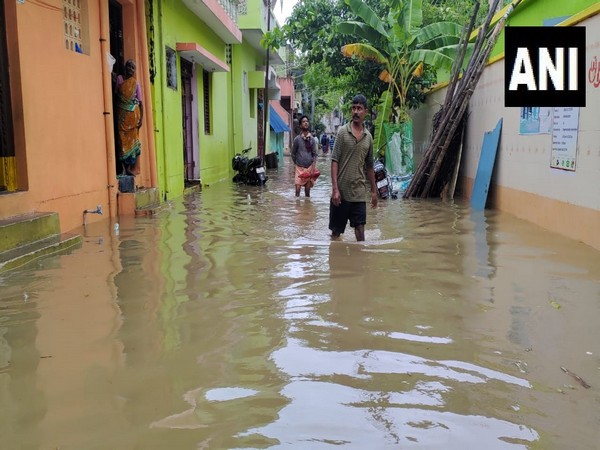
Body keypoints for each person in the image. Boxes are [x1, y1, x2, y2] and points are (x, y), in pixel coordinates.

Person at [329, 94, 378, 242]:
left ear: (365, 112)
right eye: (354, 108)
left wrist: (374, 191)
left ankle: (361, 262)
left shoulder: (368, 137)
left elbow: (369, 166)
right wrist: (335, 189)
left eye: (359, 109)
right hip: (341, 193)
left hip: (359, 192)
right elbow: (334, 160)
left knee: (360, 231)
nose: (356, 112)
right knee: (336, 234)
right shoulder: (342, 132)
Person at [116, 59, 143, 176]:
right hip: (122, 116)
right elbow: (116, 95)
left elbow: (141, 103)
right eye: (129, 66)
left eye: (133, 68)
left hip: (133, 118)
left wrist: (141, 119)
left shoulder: (135, 83)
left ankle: (128, 168)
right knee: (122, 141)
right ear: (125, 67)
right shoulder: (120, 79)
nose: (130, 69)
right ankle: (122, 167)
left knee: (132, 142)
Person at [291, 115, 319, 197]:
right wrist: (296, 164)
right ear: (300, 125)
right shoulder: (297, 139)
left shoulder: (312, 139)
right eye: (303, 122)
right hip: (299, 168)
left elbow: (315, 154)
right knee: (297, 192)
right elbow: (293, 154)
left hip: (309, 168)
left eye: (307, 121)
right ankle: (298, 209)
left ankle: (307, 209)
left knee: (307, 193)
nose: (306, 123)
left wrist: (313, 167)